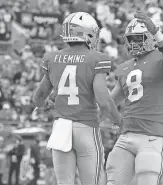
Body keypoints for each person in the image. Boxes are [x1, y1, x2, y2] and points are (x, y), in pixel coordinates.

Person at [33, 12, 122, 185]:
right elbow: (103, 100)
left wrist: (44, 105)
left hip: (61, 128)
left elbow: (39, 96)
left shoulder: (53, 58)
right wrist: (118, 121)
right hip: (86, 127)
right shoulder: (97, 58)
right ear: (89, 33)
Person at [106, 12, 163, 185]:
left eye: (138, 38)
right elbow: (109, 103)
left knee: (147, 179)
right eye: (130, 39)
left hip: (152, 136)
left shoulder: (162, 58)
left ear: (151, 37)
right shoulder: (124, 67)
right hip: (126, 135)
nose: (133, 43)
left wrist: (157, 32)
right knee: (113, 180)